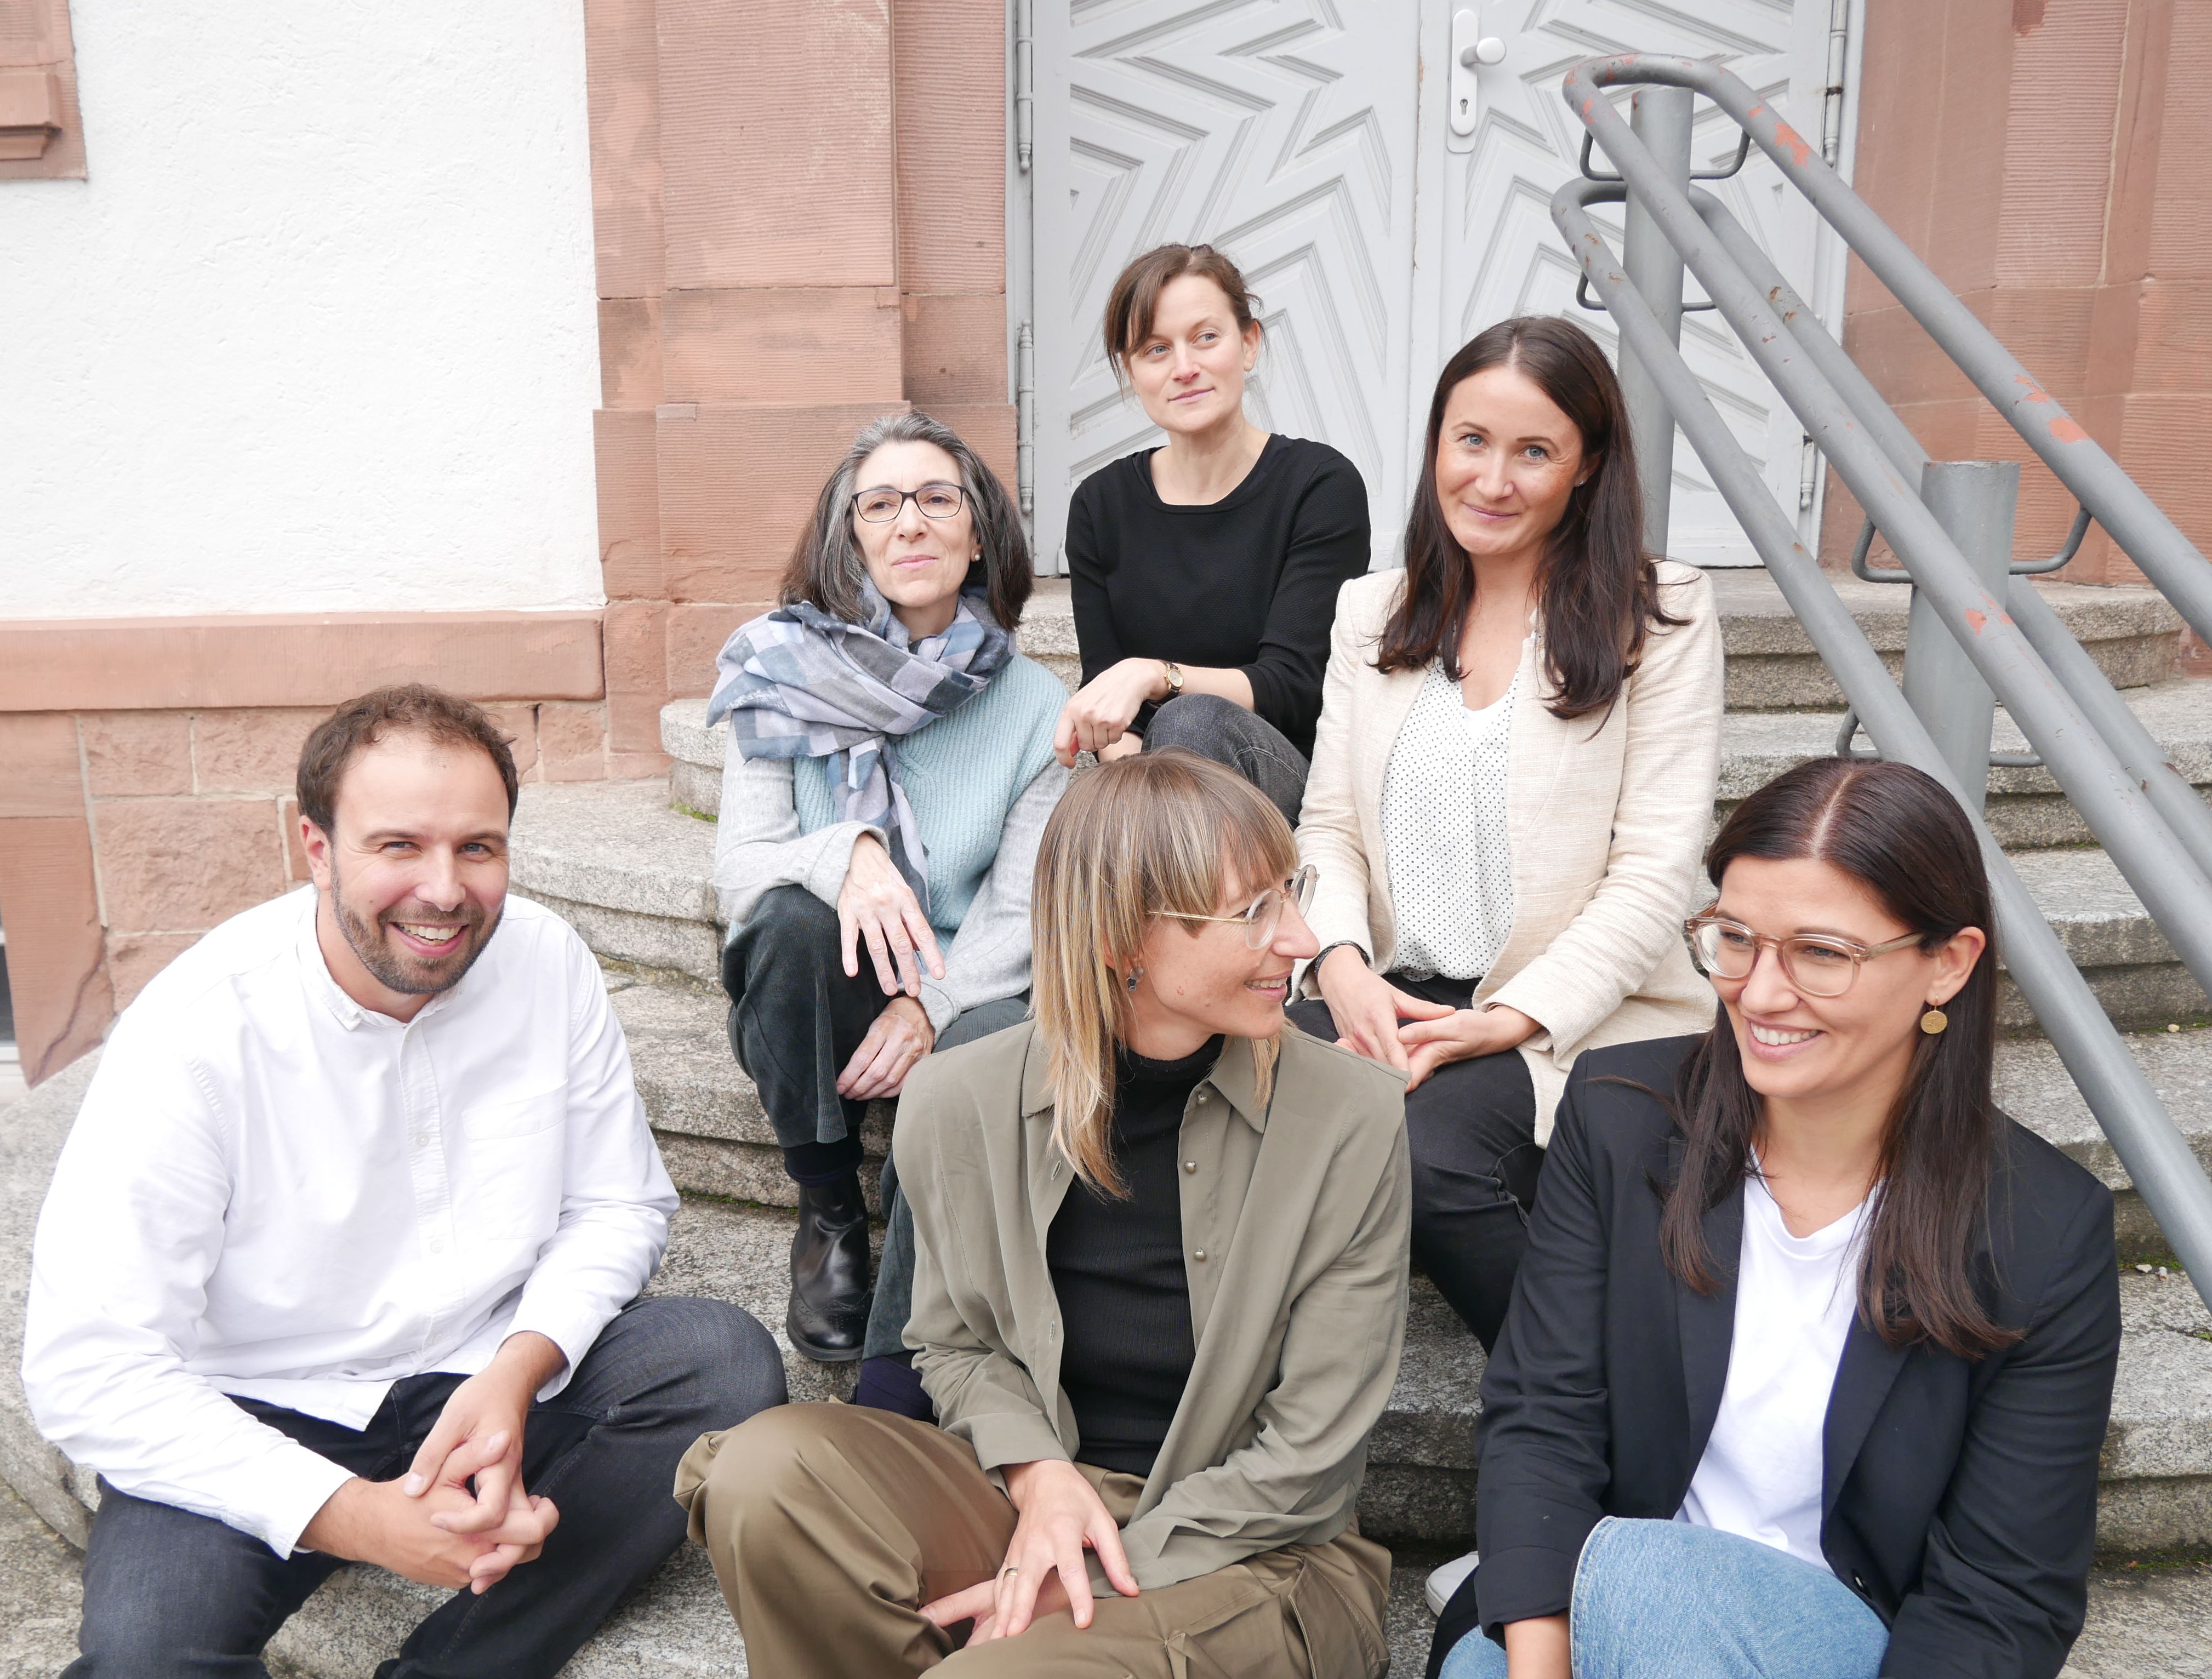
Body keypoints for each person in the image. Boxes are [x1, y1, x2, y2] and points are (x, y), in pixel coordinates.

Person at [23, 684, 786, 1679]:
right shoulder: (197, 1030)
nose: (445, 889)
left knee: (719, 1364)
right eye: (399, 846)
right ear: (316, 847)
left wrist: (515, 1371)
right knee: (143, 1660)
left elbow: (618, 1204)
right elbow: (89, 1366)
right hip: (261, 1400)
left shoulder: (547, 960)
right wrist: (360, 1517)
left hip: (485, 1369)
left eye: (478, 847)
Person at [676, 751, 1414, 1679]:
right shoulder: (958, 1097)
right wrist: (1040, 1475)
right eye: (1253, 911)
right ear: (1121, 938)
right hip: (1028, 1495)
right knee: (763, 1475)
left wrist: (1084, 1575)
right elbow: (952, 1344)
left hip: (1261, 1552)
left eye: (1290, 892)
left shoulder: (1351, 1115)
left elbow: (1308, 1455)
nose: (1300, 938)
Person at [1433, 757, 2122, 1679]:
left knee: (1644, 1572)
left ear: (1947, 964)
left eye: (1820, 953)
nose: (1758, 994)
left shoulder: (2041, 1229)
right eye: (1735, 938)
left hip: (1839, 1639)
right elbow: (1541, 1415)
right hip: (1605, 1613)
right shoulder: (1619, 1115)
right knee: (1495, 1659)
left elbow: (2001, 1598)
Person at [1291, 315, 1724, 1355]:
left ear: (1587, 466)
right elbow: (1328, 827)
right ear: (1436, 443)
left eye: (1534, 451)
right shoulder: (1372, 611)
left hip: (1577, 1011)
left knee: (1423, 1151)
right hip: (1392, 990)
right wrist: (1339, 965)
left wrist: (1508, 1019)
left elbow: (1656, 872)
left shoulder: (1659, 614)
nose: (1491, 479)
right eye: (1471, 440)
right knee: (1211, 1081)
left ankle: (1590, 1412)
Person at [707, 410, 1068, 1386]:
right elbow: (740, 867)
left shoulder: (1037, 707)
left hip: (963, 972)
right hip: (831, 968)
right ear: (850, 535)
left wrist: (930, 1005)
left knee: (984, 1051)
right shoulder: (775, 669)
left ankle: (905, 1333)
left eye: (937, 498)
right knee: (787, 920)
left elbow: (1019, 909)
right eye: (880, 504)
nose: (909, 522)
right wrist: (850, 851)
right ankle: (829, 1205)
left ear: (979, 533)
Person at [1056, 243, 1371, 821]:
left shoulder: (1319, 486)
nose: (1184, 367)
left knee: (1192, 723)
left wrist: (1158, 676)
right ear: (1131, 371)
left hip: (1282, 781)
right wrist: (1144, 810)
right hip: (1155, 793)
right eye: (1156, 349)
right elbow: (1108, 707)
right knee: (1135, 782)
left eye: (1205, 337)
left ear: (1248, 343)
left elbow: (1293, 688)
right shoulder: (1100, 505)